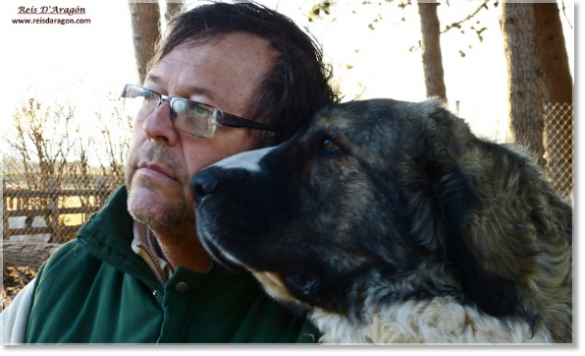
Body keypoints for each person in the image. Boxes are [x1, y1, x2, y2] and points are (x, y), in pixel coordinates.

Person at [1, 2, 338, 343]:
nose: (153, 125)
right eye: (151, 96)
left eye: (197, 110)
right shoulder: (60, 286)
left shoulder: (342, 320)